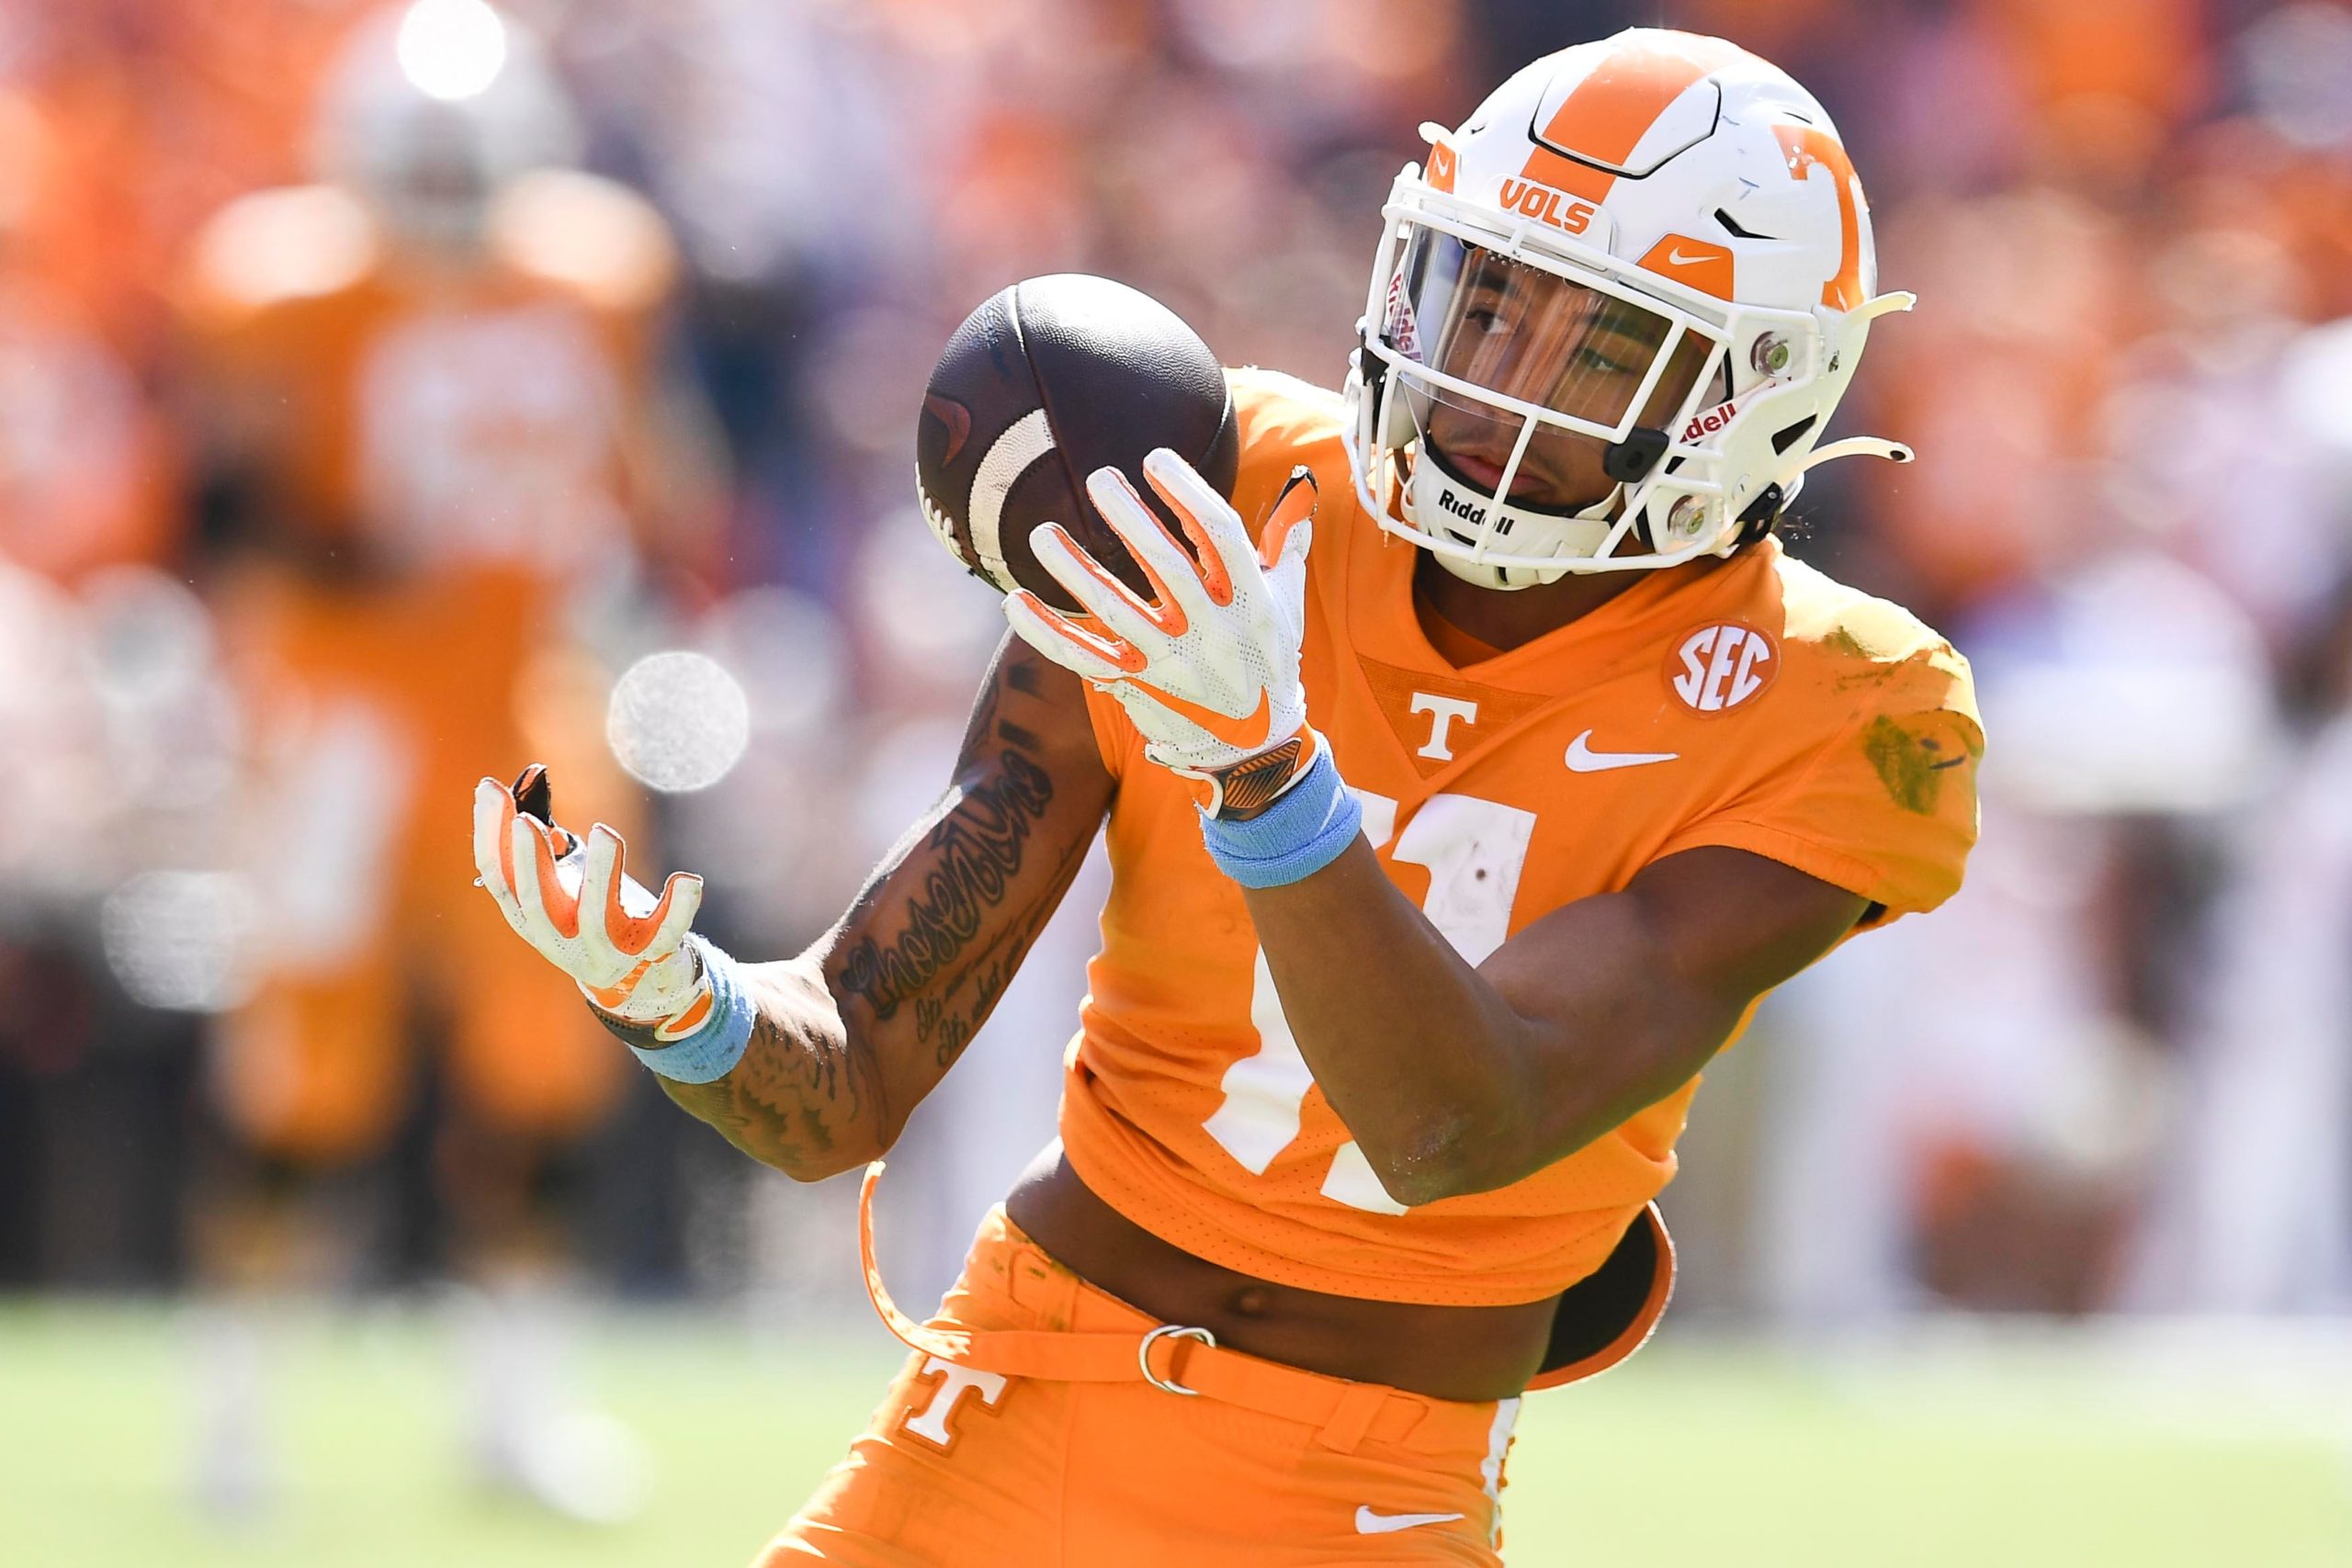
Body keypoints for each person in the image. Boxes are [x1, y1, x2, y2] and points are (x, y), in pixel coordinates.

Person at [476, 28, 1982, 1563]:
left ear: (1755, 398)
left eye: (1598, 348)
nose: (1488, 385)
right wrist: (680, 1002)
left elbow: (1454, 1125)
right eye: (1486, 293)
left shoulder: (1846, 702)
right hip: (1011, 1385)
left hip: (1359, 1486)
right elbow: (847, 1078)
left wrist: (1265, 770)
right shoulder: (1216, 484)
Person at [178, 0, 716, 1520]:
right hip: (344, 725)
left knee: (542, 1070)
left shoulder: (599, 277)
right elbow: (225, 519)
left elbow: (657, 477)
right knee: (300, 1083)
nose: (435, 212)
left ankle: (516, 1404)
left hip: (527, 716)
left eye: (459, 175)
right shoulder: (279, 293)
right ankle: (233, 1406)